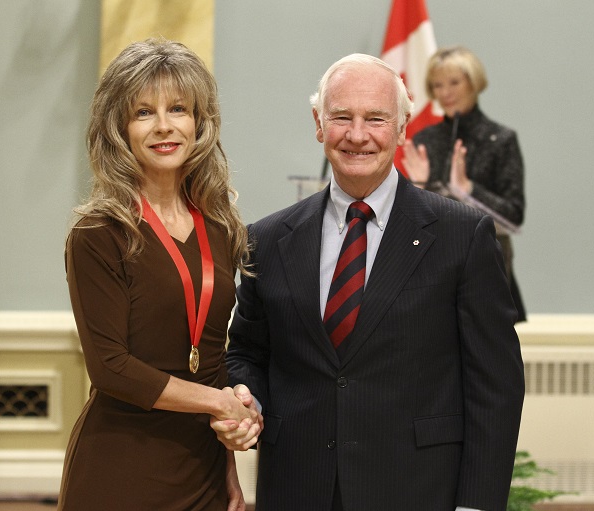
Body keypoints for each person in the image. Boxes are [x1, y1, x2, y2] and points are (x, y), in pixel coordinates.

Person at [213, 54, 525, 511]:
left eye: (375, 119)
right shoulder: (267, 239)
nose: (357, 135)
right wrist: (247, 397)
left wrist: (476, 504)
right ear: (319, 124)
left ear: (402, 128)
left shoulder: (462, 236)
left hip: (419, 490)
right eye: (342, 117)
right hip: (298, 488)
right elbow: (247, 352)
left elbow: (495, 385)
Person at [58, 39, 261, 511]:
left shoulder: (220, 226)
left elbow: (210, 360)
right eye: (144, 112)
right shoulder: (99, 233)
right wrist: (218, 404)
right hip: (122, 469)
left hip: (202, 470)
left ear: (199, 122)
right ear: (119, 128)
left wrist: (229, 461)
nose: (165, 126)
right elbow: (111, 369)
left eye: (179, 109)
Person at [403, 45, 527, 321]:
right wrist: (418, 187)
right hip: (432, 268)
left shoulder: (501, 140)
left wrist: (468, 190)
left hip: (486, 268)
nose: (445, 93)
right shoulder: (424, 140)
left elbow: (514, 218)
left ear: (474, 82)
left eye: (454, 83)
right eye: (437, 85)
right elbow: (416, 216)